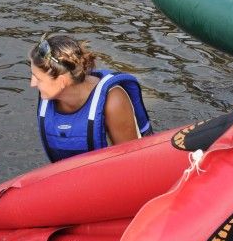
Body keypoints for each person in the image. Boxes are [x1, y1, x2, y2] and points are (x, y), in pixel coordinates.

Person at [30, 34, 153, 162]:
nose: (32, 84)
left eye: (38, 78)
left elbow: (132, 163)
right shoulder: (48, 95)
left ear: (61, 82)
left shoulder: (113, 102)